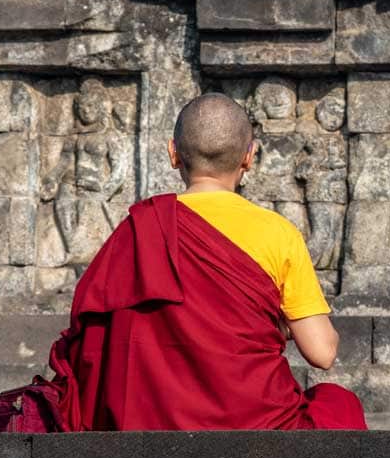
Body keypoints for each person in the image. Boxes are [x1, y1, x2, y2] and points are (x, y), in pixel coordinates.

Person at [46, 93, 366, 431]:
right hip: (254, 426)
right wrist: (279, 327)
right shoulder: (278, 233)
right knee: (338, 404)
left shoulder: (138, 230)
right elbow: (322, 353)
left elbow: (92, 335)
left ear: (173, 154)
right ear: (250, 156)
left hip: (151, 423)